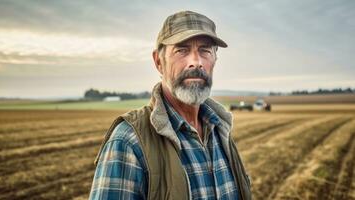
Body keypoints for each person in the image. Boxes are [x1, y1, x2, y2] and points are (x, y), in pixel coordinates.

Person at [89, 10, 251, 200]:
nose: (196, 62)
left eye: (205, 50)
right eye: (181, 50)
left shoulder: (220, 130)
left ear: (215, 59)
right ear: (159, 62)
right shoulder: (128, 141)